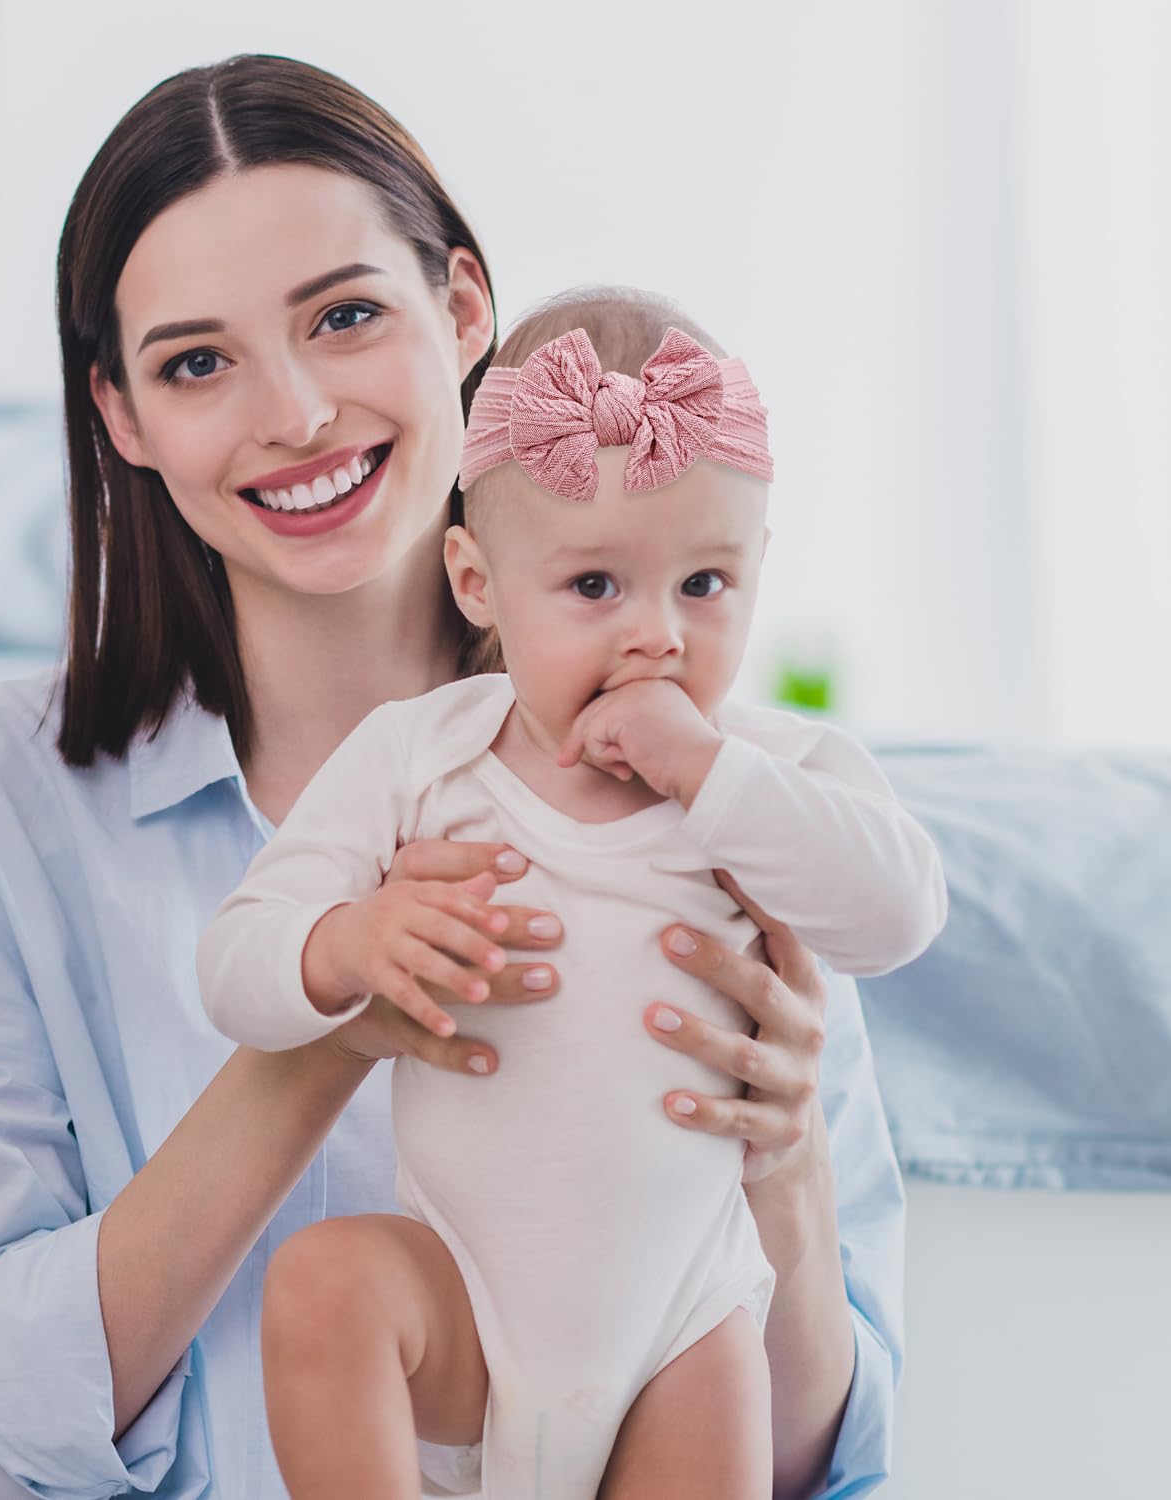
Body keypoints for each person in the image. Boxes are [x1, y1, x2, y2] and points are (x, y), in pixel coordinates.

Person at [0, 55, 907, 1500]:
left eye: (345, 316)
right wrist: (334, 1015)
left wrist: (784, 1176)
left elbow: (817, 1471)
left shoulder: (719, 788)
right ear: (124, 417)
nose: (294, 414)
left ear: (463, 313)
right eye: (196, 362)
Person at [197, 293, 946, 1498]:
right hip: (466, 1308)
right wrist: (349, 945)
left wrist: (705, 769)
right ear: (477, 581)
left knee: (721, 1406)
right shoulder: (420, 757)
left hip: (686, 1328)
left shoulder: (778, 777)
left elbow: (901, 913)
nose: (656, 637)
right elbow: (235, 963)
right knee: (325, 1284)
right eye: (595, 587)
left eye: (705, 584)